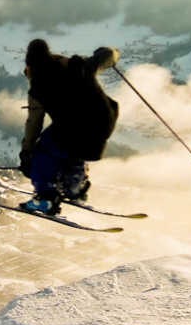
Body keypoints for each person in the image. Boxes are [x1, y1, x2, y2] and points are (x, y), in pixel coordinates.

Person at [18, 39, 120, 214]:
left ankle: (45, 198)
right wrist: (110, 55)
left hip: (75, 129)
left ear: (31, 67)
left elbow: (34, 124)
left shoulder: (38, 87)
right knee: (70, 149)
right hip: (104, 123)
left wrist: (27, 155)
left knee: (44, 151)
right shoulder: (77, 65)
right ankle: (74, 186)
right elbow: (108, 55)